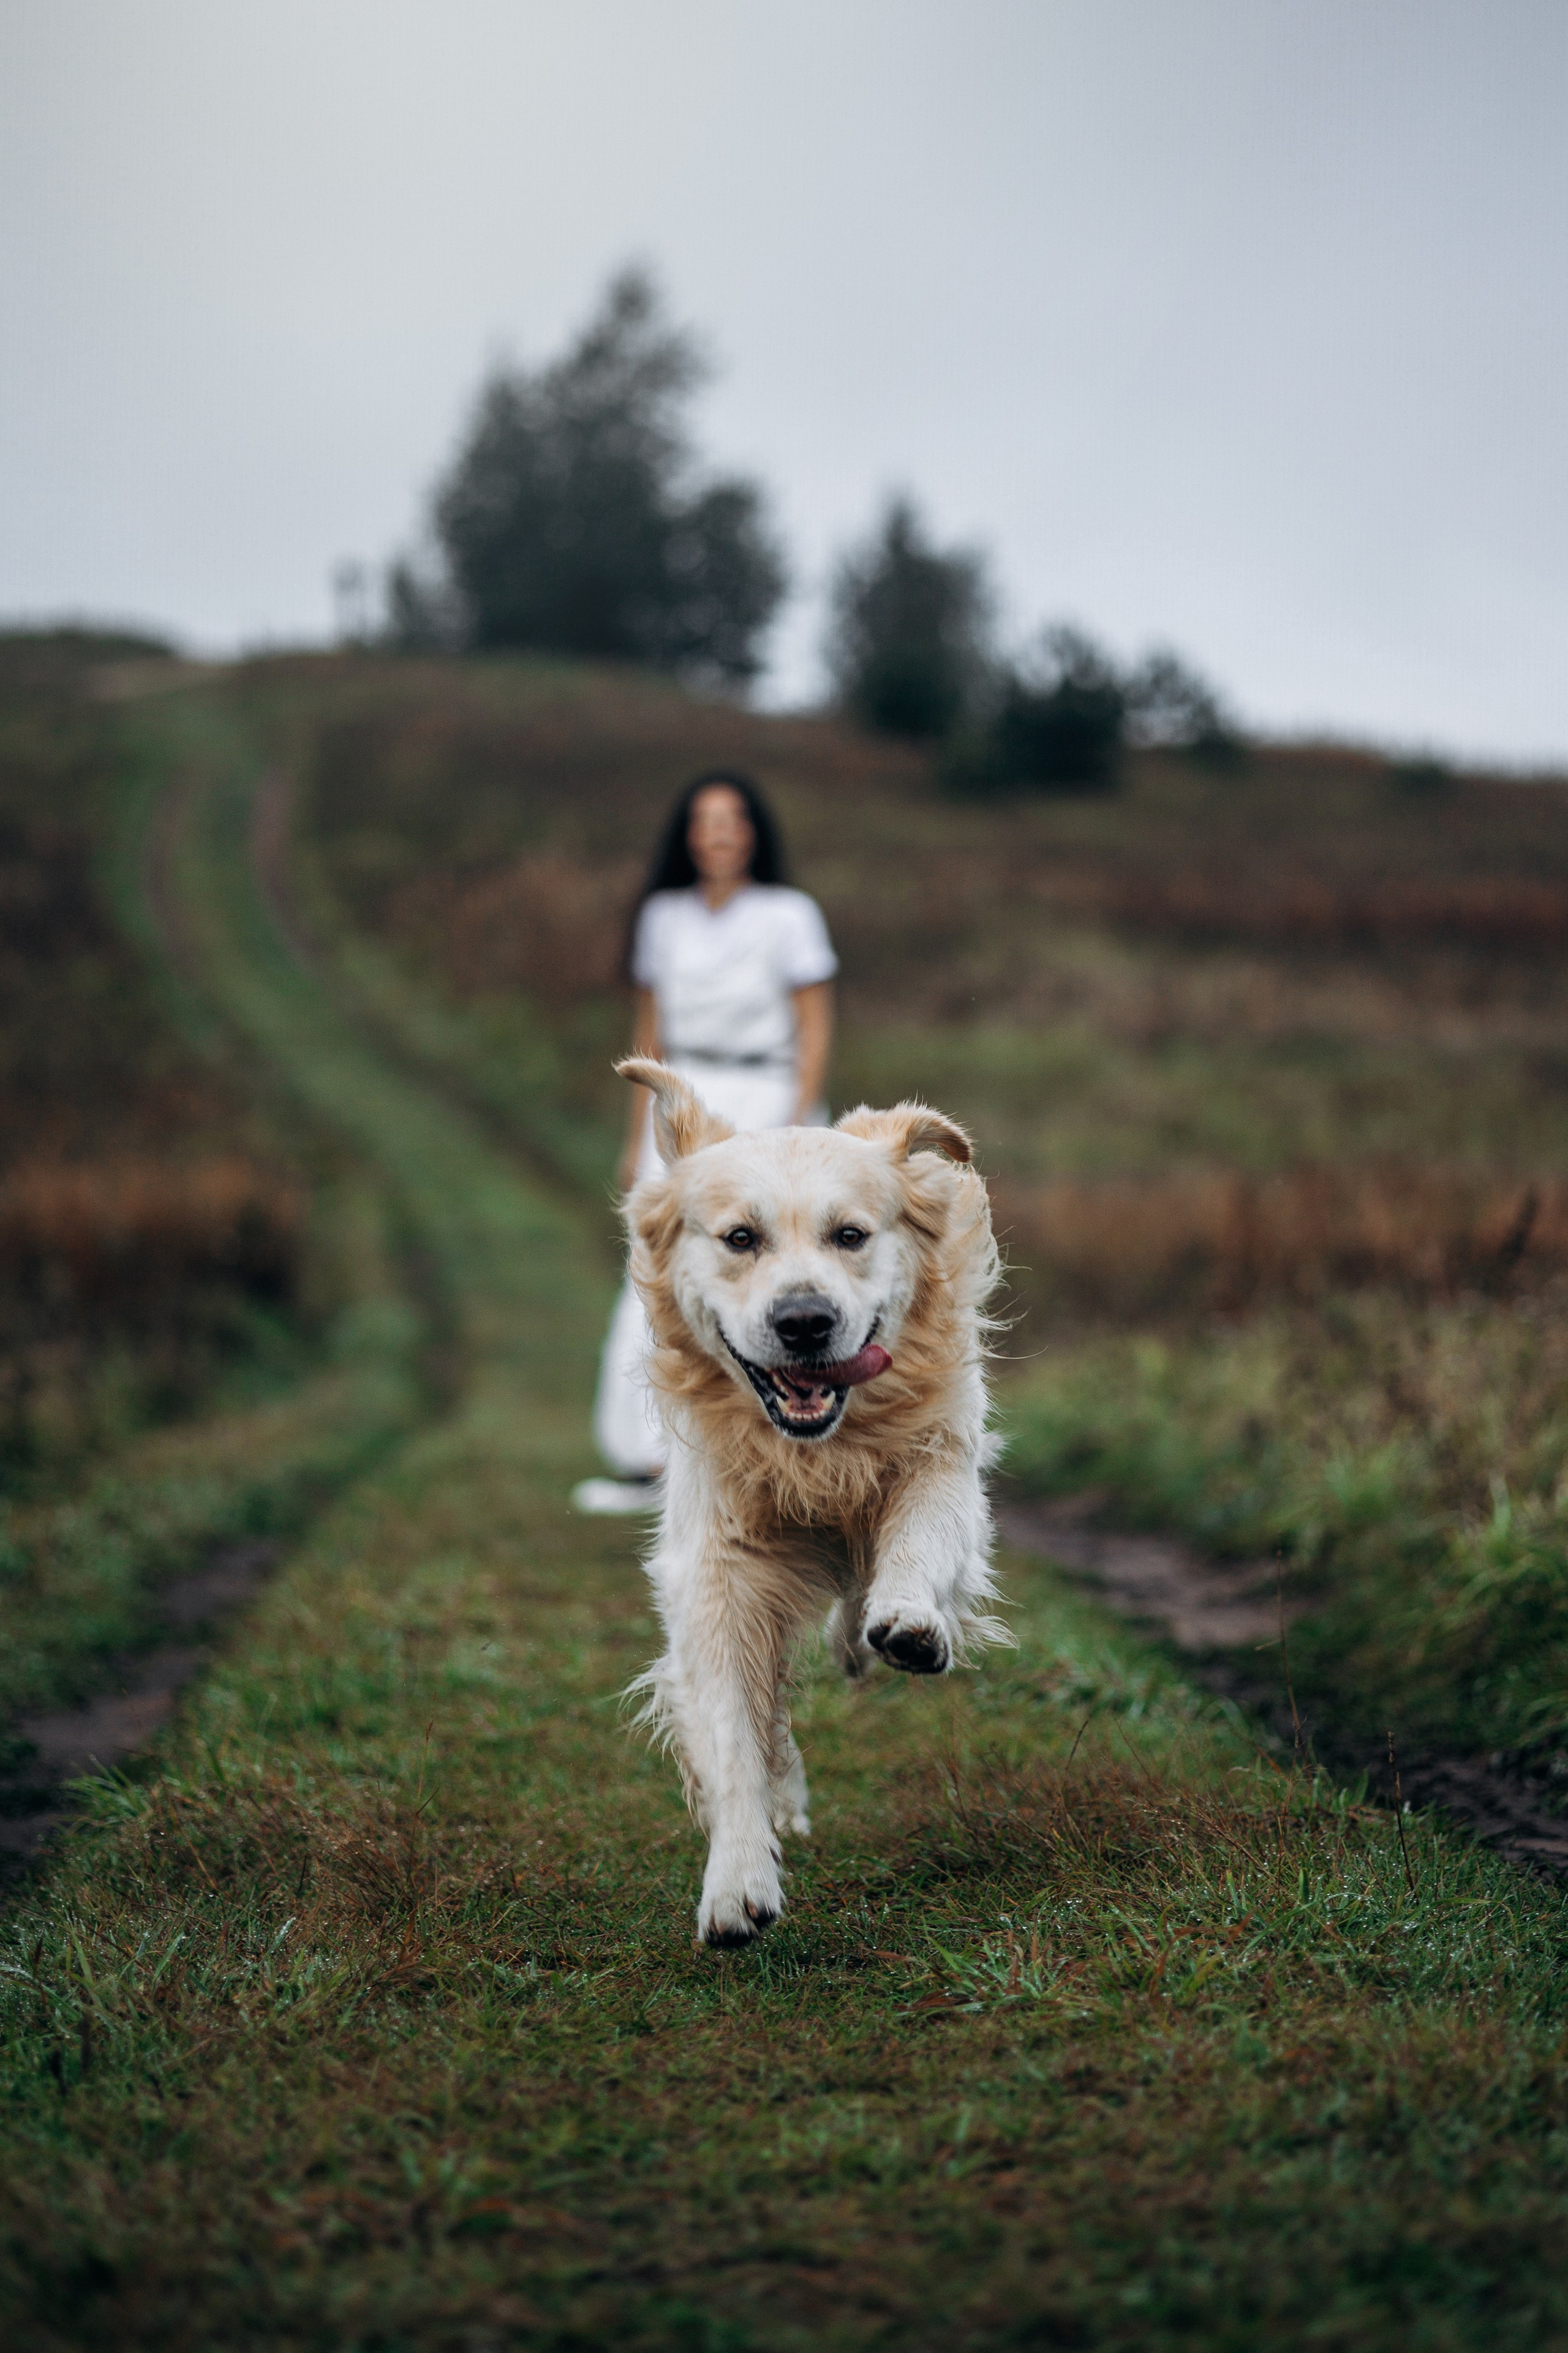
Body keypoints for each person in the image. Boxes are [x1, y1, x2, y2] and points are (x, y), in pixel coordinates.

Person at [573, 770, 837, 1513]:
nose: (718, 833)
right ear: (687, 836)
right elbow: (648, 1032)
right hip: (685, 1100)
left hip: (769, 1095)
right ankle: (648, 1456)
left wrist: (799, 1118)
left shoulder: (790, 915)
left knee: (769, 1272)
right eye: (704, 820)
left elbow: (814, 1023)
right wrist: (638, 1138)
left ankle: (766, 1458)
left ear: (753, 831)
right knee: (658, 1274)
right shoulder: (663, 916)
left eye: (732, 819)